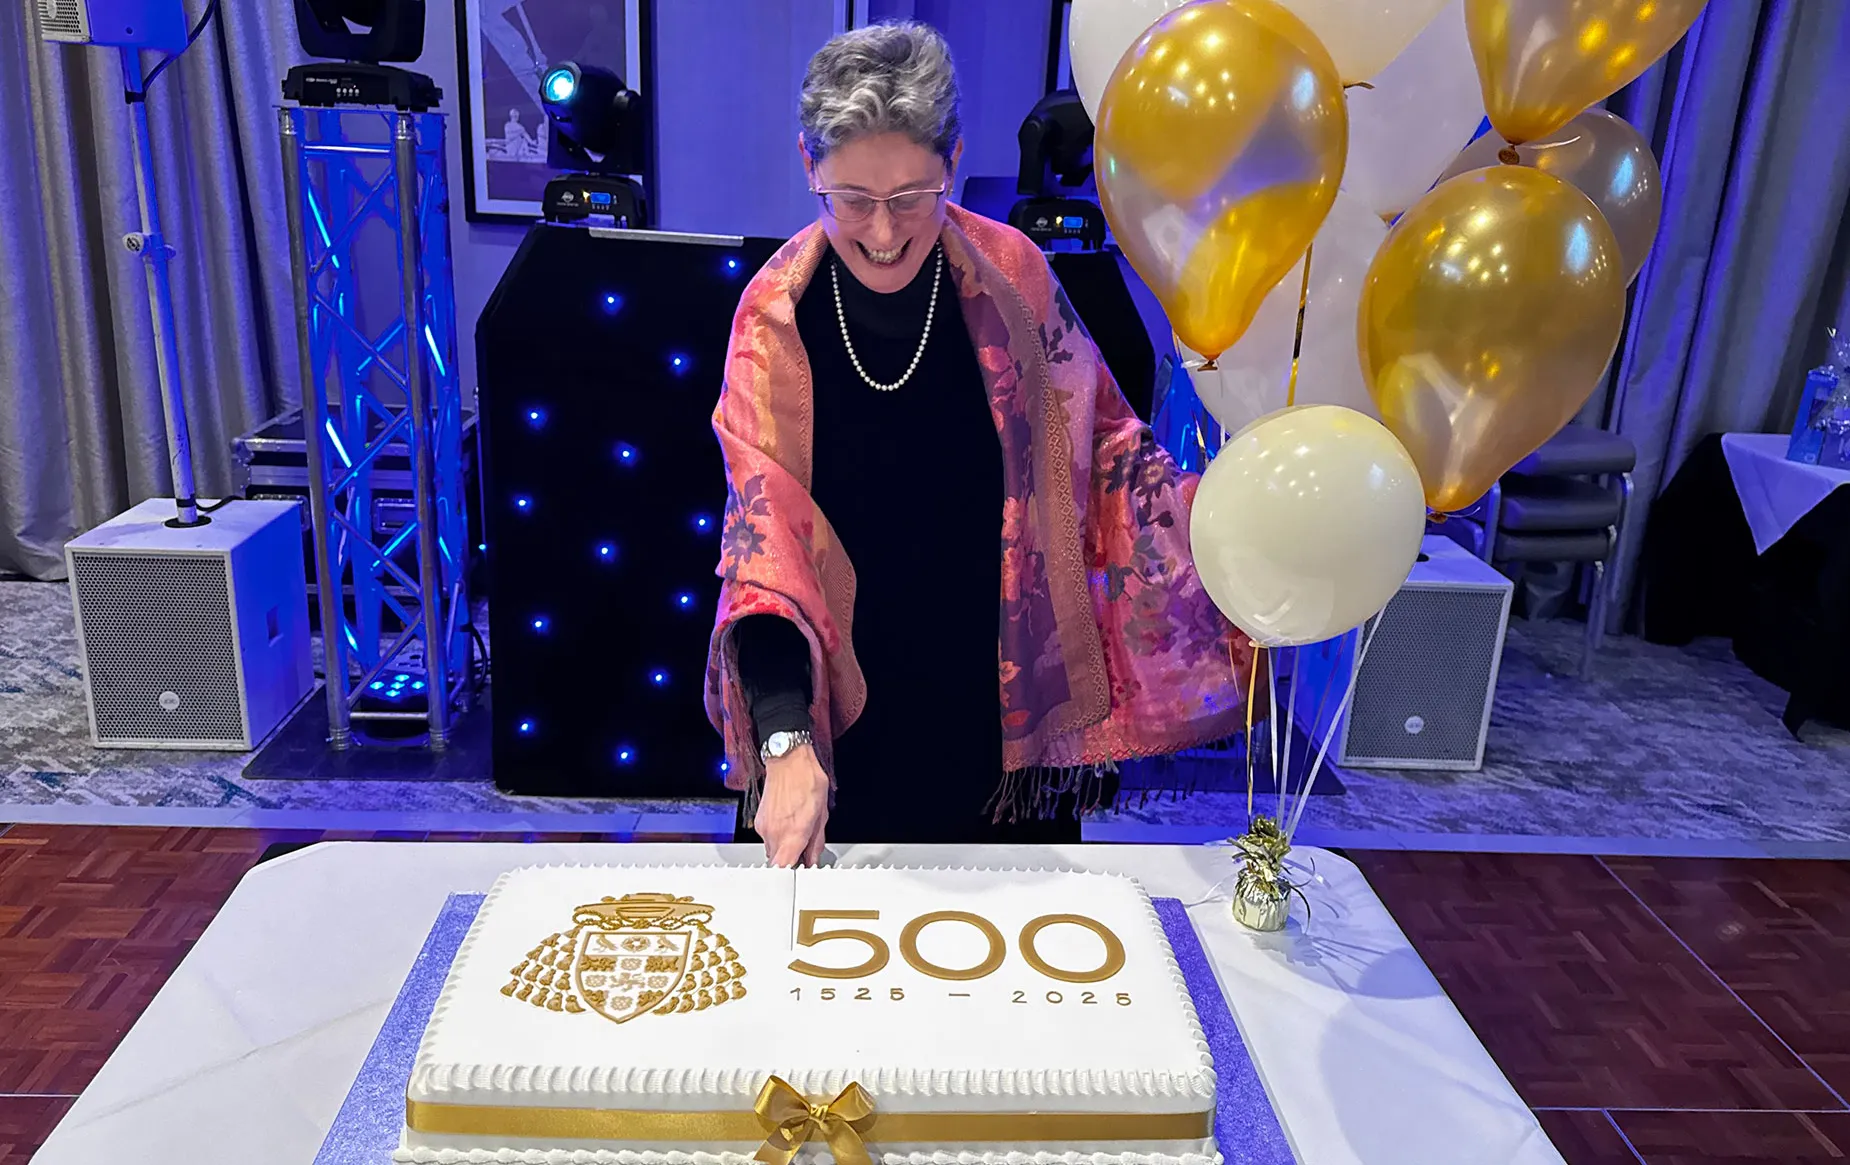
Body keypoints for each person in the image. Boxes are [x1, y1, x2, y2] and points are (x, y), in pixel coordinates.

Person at [705, 22, 1251, 865]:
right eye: (853, 198)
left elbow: (1110, 458)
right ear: (808, 164)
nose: (883, 233)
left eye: (912, 197)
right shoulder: (773, 319)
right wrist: (782, 741)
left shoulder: (1016, 277)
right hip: (832, 721)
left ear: (953, 159)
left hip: (993, 706)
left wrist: (1226, 521)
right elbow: (762, 551)